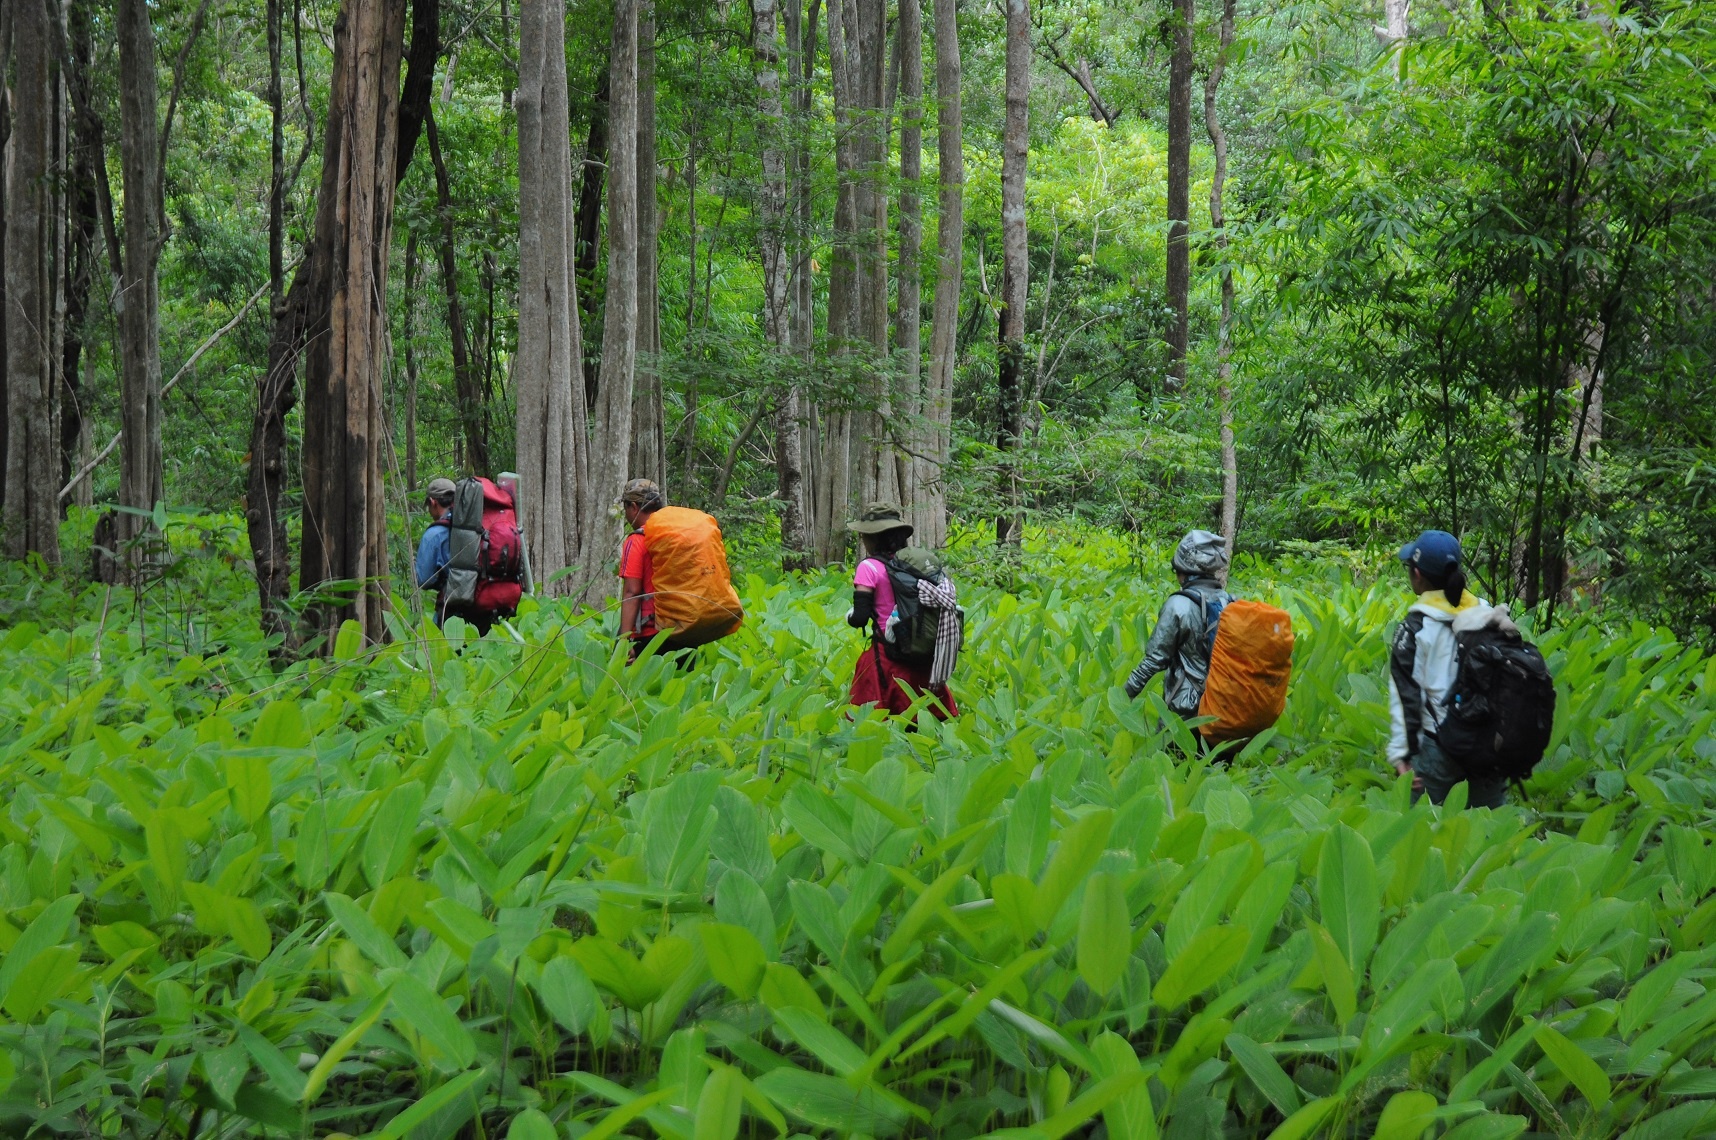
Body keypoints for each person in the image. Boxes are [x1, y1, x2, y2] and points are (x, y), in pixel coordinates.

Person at [1388, 529, 1505, 808]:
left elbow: (1406, 696)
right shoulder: (1489, 613)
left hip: (1437, 748)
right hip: (1490, 746)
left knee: (1420, 834)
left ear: (1417, 575)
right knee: (1491, 836)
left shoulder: (1416, 628)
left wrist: (1401, 755)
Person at [846, 502, 958, 719]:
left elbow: (860, 618)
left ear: (872, 537)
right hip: (918, 646)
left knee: (871, 716)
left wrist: (850, 616)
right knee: (923, 718)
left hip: (886, 653)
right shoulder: (915, 565)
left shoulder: (868, 568)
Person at [1124, 530, 1233, 734]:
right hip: (1224, 708)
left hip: (1185, 710)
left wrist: (1125, 694)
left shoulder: (1178, 604)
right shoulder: (1230, 602)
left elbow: (1155, 660)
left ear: (1184, 571)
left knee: (1171, 762)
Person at [415, 476, 495, 633]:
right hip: (484, 607)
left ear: (433, 502)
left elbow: (423, 579)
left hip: (451, 611)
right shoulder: (482, 526)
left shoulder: (434, 534)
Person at [617, 478, 665, 657]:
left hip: (650, 633)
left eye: (626, 507)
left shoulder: (636, 540)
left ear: (634, 507)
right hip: (684, 628)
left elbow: (632, 592)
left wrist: (624, 640)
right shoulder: (674, 535)